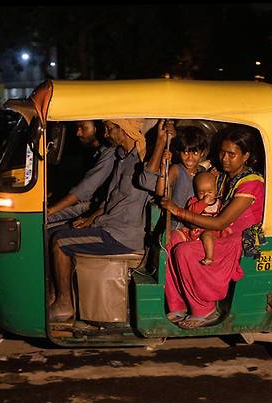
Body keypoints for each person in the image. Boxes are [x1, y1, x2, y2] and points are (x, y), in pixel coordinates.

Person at [47, 118, 152, 322]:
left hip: (122, 235)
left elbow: (86, 192)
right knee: (55, 234)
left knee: (59, 243)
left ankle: (64, 305)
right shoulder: (123, 158)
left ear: (125, 130)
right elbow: (110, 199)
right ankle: (55, 296)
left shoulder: (141, 162)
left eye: (110, 129)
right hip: (109, 226)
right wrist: (90, 219)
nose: (106, 134)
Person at [161, 125, 265, 329]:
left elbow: (221, 222)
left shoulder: (251, 183)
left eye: (232, 154)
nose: (225, 158)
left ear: (246, 156)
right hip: (216, 233)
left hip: (237, 238)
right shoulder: (223, 175)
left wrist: (179, 211)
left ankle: (204, 308)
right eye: (222, 153)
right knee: (172, 239)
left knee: (185, 252)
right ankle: (178, 304)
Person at [139, 120, 210, 228]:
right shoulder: (177, 170)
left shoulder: (203, 172)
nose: (189, 158)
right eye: (185, 153)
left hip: (195, 227)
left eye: (195, 153)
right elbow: (160, 192)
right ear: (179, 152)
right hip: (174, 226)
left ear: (202, 153)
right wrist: (163, 167)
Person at [47, 120, 116, 226]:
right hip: (89, 203)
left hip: (98, 206)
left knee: (47, 221)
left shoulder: (110, 154)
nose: (78, 133)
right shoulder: (95, 152)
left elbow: (85, 189)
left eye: (83, 128)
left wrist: (51, 210)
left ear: (97, 129)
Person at [174, 171, 232, 266]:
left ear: (216, 190)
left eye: (210, 192)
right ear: (196, 191)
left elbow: (224, 217)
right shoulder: (194, 201)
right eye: (202, 192)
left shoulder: (219, 203)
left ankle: (209, 257)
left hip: (211, 231)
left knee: (207, 235)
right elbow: (191, 213)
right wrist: (203, 203)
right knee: (176, 235)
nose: (206, 195)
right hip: (197, 230)